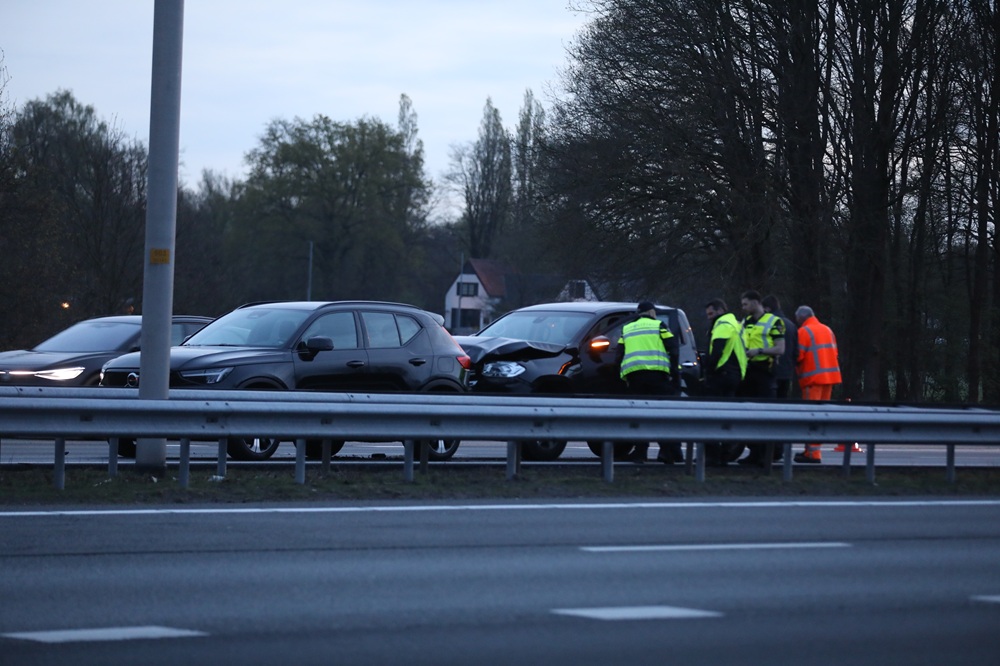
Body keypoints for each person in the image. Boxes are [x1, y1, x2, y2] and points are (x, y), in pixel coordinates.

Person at [616, 301, 681, 463]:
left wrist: (623, 376)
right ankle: (667, 452)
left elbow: (618, 355)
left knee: (639, 416)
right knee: (662, 414)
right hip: (657, 376)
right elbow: (673, 348)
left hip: (635, 378)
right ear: (651, 312)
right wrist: (674, 372)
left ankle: (640, 452)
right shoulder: (659, 326)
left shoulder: (627, 329)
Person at [738, 290, 785, 466]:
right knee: (749, 415)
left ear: (755, 302)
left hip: (765, 371)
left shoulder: (774, 321)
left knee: (764, 415)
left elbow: (780, 349)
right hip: (748, 371)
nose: (743, 308)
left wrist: (759, 351)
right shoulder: (746, 322)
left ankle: (766, 454)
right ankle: (754, 452)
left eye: (745, 304)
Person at [793, 305, 842, 463]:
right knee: (821, 417)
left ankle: (812, 454)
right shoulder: (828, 330)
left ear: (801, 318)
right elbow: (834, 353)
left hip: (813, 380)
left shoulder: (803, 332)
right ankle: (813, 451)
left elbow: (798, 356)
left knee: (811, 416)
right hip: (829, 379)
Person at [702, 298, 747, 466]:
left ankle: (712, 456)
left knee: (711, 417)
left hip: (721, 375)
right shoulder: (737, 324)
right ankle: (726, 453)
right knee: (727, 417)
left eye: (711, 314)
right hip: (735, 375)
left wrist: (708, 370)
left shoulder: (722, 324)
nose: (709, 317)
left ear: (721, 310)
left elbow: (717, 351)